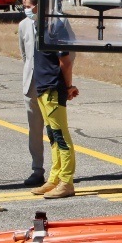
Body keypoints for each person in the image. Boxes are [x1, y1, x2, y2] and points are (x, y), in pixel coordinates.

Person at [30, 17, 80, 199]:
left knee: (61, 136)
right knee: (52, 136)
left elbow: (65, 62)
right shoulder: (40, 27)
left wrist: (68, 86)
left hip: (53, 88)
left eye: (28, 6)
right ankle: (55, 178)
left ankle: (66, 181)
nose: (26, 10)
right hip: (43, 88)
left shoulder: (55, 28)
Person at [18, 0, 45, 187]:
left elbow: (68, 54)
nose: (26, 11)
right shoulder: (23, 25)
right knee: (35, 130)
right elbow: (25, 55)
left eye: (28, 7)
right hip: (31, 85)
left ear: (37, 5)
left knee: (55, 130)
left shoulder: (55, 21)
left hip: (50, 84)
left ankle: (59, 171)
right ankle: (37, 169)